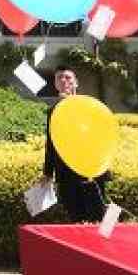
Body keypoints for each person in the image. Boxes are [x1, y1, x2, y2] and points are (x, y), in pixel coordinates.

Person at [40, 69, 110, 224]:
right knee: (75, 216)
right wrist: (47, 173)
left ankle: (103, 239)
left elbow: (101, 135)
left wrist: (70, 105)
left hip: (90, 170)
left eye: (68, 77)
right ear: (55, 84)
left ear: (76, 82)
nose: (64, 81)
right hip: (66, 171)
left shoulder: (89, 106)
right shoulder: (53, 111)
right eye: (59, 78)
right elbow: (51, 142)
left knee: (99, 216)